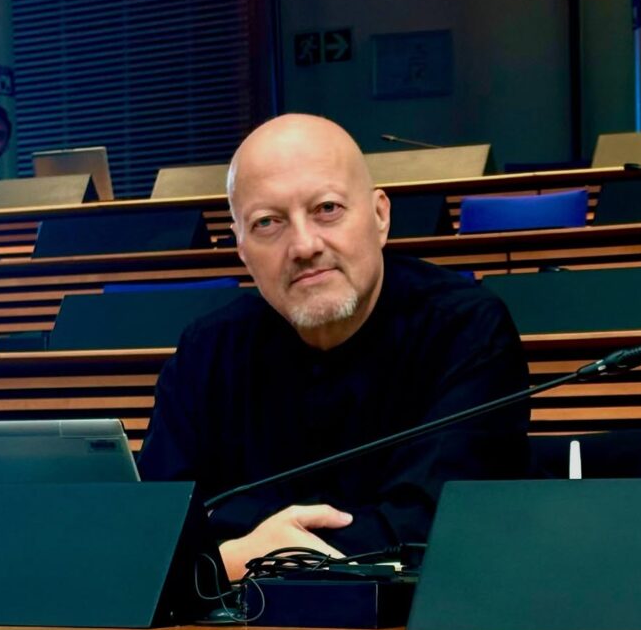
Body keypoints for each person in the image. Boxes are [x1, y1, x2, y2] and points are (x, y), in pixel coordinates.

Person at [138, 114, 530, 579]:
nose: (304, 245)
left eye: (327, 209)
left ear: (380, 216)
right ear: (241, 249)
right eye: (268, 223)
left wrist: (248, 554)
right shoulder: (207, 350)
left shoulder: (466, 330)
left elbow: (437, 527)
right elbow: (156, 529)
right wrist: (227, 558)